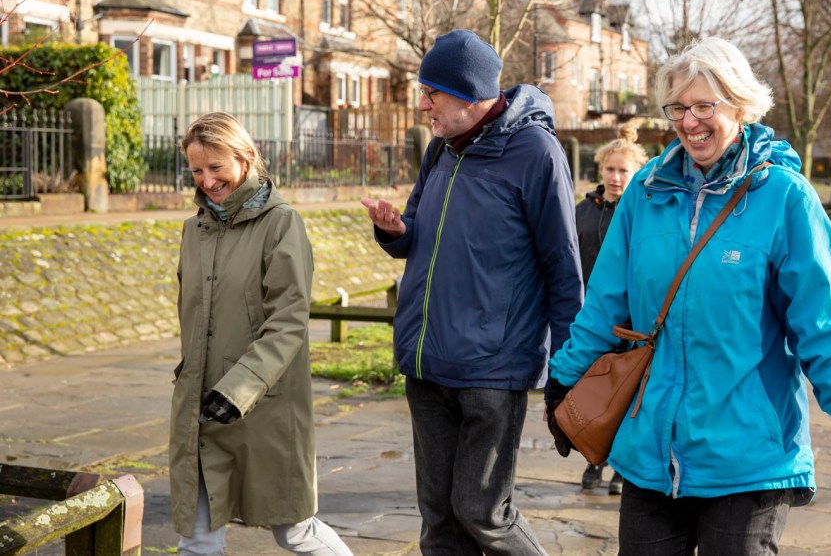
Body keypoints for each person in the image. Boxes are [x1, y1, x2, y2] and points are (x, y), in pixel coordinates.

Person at [545, 37, 831, 554]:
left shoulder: (783, 198)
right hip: (649, 454)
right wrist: (564, 379)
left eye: (704, 107)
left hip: (749, 462)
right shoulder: (645, 192)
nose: (689, 122)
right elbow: (605, 303)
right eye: (678, 109)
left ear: (740, 104)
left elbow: (825, 326)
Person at [361, 29, 583, 555]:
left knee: (485, 514)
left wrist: (570, 371)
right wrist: (396, 231)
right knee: (439, 524)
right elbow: (416, 231)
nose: (422, 104)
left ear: (468, 92)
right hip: (426, 362)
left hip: (492, 370)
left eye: (431, 93)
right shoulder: (440, 148)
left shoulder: (536, 151)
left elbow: (563, 269)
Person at [170, 112, 352, 556]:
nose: (207, 180)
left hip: (263, 406)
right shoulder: (194, 231)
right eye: (197, 169)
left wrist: (240, 387)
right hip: (200, 404)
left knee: (294, 530)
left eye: (216, 167)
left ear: (246, 157)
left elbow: (288, 320)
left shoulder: (281, 223)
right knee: (197, 536)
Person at [575, 123, 648, 496]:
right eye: (610, 170)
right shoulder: (582, 212)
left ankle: (622, 469)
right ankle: (594, 460)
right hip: (594, 320)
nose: (616, 177)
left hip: (634, 325)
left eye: (624, 171)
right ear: (600, 170)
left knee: (629, 396)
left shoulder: (646, 213)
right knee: (596, 395)